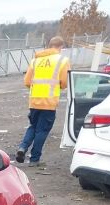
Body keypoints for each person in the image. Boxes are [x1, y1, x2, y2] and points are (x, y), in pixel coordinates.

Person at [16, 36, 70, 166]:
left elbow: (27, 81)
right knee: (42, 130)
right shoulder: (63, 60)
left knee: (33, 126)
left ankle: (22, 147)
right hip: (49, 102)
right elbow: (64, 82)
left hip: (34, 101)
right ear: (60, 47)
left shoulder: (36, 59)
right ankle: (34, 159)